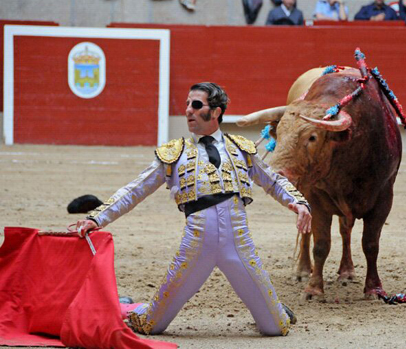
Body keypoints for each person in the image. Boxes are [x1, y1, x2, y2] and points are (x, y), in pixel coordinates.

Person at [72, 82, 312, 337]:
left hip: (239, 246)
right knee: (150, 325)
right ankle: (127, 306)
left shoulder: (242, 148)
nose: (188, 110)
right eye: (187, 104)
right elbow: (134, 190)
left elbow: (273, 180)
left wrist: (298, 202)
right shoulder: (174, 153)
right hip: (195, 248)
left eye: (196, 105)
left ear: (217, 111)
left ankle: (271, 308)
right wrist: (97, 218)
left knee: (275, 328)